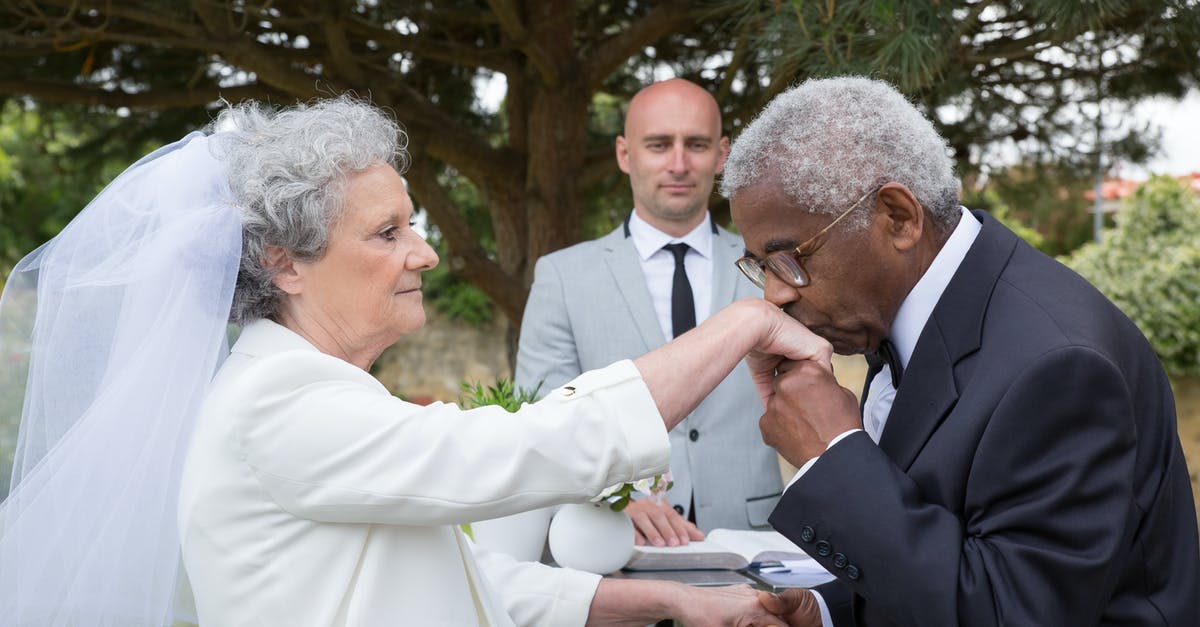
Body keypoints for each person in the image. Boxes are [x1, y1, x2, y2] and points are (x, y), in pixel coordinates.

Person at [0, 96, 829, 626]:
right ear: (285, 261)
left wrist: (675, 602)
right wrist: (745, 322)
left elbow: (468, 582)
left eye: (414, 224)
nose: (426, 254)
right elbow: (525, 447)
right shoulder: (277, 402)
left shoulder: (318, 388)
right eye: (387, 233)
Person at [718, 76, 1200, 626]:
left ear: (897, 217)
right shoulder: (927, 312)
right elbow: (944, 544)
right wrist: (830, 611)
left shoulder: (1059, 366)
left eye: (790, 258)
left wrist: (832, 458)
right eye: (761, 264)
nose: (775, 293)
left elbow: (1011, 611)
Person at [516, 78, 783, 547]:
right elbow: (542, 421)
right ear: (624, 154)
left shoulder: (771, 268)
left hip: (752, 540)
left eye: (696, 145)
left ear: (722, 154)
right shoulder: (562, 275)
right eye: (659, 145)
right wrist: (612, 500)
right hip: (615, 545)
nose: (678, 164)